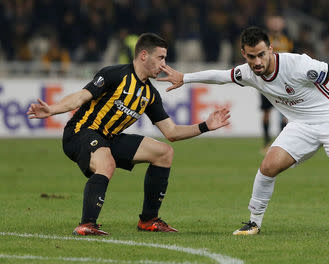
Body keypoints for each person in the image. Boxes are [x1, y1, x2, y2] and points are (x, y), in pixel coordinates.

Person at [158, 27, 329, 235]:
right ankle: (254, 222)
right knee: (269, 166)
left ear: (271, 49)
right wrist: (184, 78)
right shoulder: (249, 72)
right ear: (244, 54)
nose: (258, 62)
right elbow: (222, 76)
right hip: (300, 125)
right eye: (251, 57)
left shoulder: (299, 66)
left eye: (262, 55)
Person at [27, 33, 230, 236]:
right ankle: (86, 224)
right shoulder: (114, 74)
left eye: (165, 59)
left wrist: (205, 126)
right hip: (81, 132)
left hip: (109, 138)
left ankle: (148, 220)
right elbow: (81, 97)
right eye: (160, 58)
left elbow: (172, 132)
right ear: (143, 55)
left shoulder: (150, 94)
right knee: (107, 163)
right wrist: (52, 110)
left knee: (164, 152)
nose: (164, 64)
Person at [259, 15, 293, 153]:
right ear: (268, 23)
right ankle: (266, 142)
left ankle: (280, 143)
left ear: (283, 23)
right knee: (266, 112)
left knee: (284, 112)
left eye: (278, 22)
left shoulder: (288, 40)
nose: (276, 24)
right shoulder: (264, 40)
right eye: (273, 22)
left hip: (283, 81)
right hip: (266, 80)